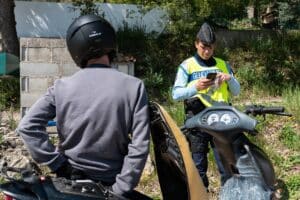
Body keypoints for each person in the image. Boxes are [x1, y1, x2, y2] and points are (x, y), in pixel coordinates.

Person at [16, 14, 151, 199]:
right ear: (111, 44)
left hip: (70, 185)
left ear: (75, 50)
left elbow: (27, 127)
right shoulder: (134, 87)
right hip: (113, 184)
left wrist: (59, 165)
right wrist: (120, 189)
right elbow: (140, 145)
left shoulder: (61, 87)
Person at [172, 22, 240, 189]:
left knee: (227, 166)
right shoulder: (187, 66)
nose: (207, 51)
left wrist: (229, 78)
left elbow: (236, 91)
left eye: (210, 47)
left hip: (221, 119)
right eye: (203, 47)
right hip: (197, 120)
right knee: (198, 167)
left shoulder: (223, 64)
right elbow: (175, 94)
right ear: (196, 44)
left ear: (214, 46)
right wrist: (195, 87)